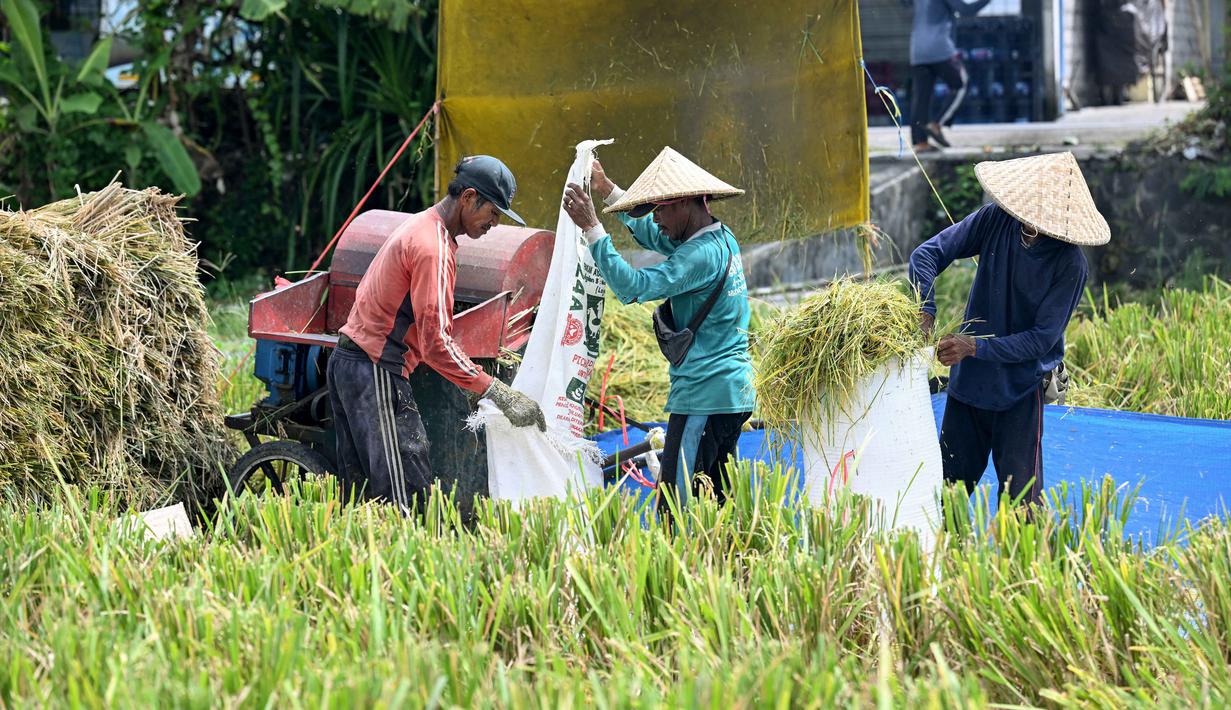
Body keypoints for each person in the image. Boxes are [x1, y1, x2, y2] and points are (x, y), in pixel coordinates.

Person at [328, 156, 546, 513]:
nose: (495, 223)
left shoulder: (420, 225)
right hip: (376, 371)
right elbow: (436, 342)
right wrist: (495, 390)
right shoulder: (433, 247)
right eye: (493, 212)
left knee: (363, 496)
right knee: (405, 500)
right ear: (468, 197)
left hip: (351, 363)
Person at [561, 147, 755, 521]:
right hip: (732, 393)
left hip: (705, 395)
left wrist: (592, 227)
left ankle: (683, 572)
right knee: (715, 505)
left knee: (677, 510)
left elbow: (631, 286)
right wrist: (608, 191)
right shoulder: (720, 238)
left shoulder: (697, 256)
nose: (657, 218)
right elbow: (658, 237)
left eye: (660, 209)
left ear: (683, 203)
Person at [909, 152, 1110, 507]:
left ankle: (1024, 561)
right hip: (968, 387)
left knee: (1022, 505)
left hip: (1021, 391)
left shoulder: (1069, 264)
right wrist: (925, 308)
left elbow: (1041, 340)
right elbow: (925, 255)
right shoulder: (995, 220)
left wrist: (974, 348)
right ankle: (948, 558)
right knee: (948, 498)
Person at [909, 0, 992, 152]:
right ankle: (936, 124)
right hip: (940, 49)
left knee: (921, 97)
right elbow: (966, 10)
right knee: (961, 84)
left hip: (917, 51)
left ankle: (921, 143)